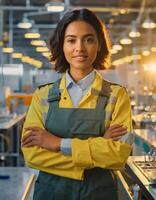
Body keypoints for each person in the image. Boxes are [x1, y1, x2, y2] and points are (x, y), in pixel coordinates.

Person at [21, 8, 133, 200]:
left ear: (99, 45)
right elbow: (32, 154)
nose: (79, 48)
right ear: (62, 45)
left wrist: (57, 144)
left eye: (89, 39)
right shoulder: (43, 96)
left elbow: (118, 155)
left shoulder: (117, 95)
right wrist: (99, 148)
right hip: (51, 194)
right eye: (71, 40)